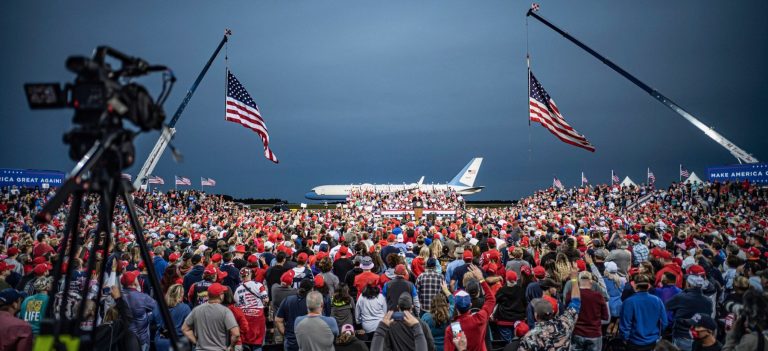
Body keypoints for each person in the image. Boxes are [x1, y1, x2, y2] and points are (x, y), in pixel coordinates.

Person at [517, 266, 581, 351]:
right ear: (557, 312)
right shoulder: (566, 324)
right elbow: (576, 302)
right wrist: (574, 279)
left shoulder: (530, 338)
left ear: (536, 315)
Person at [444, 265, 496, 351]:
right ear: (470, 305)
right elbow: (491, 299)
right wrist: (481, 279)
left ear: (456, 307)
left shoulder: (455, 328)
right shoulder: (480, 318)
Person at [182, 282, 241, 351]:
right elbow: (236, 334)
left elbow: (185, 329)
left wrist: (197, 343)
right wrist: (231, 346)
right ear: (221, 295)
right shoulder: (225, 311)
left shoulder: (197, 310)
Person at [666, 274, 715, 351]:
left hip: (682, 336)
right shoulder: (708, 301)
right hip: (700, 336)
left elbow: (665, 307)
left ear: (688, 284)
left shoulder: (681, 297)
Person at [619, 274, 667, 351]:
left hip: (634, 343)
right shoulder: (657, 300)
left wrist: (625, 339)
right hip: (653, 342)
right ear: (648, 286)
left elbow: (625, 325)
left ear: (634, 285)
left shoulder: (629, 302)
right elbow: (664, 322)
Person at [567, 271, 609, 351]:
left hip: (577, 333)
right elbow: (605, 316)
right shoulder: (598, 296)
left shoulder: (570, 295)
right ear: (591, 282)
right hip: (594, 334)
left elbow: (568, 313)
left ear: (579, 282)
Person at [121, 270, 157, 350]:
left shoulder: (118, 296)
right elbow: (157, 308)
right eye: (136, 278)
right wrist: (149, 315)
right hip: (140, 339)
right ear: (134, 283)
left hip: (123, 338)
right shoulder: (142, 297)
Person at [275, 279, 314, 351]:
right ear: (311, 290)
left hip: (290, 342)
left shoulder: (288, 300)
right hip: (307, 341)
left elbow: (278, 320)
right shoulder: (312, 303)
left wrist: (286, 335)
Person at [234, 267, 268, 350]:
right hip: (258, 316)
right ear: (250, 274)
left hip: (244, 317)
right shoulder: (258, 285)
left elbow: (237, 304)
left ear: (241, 276)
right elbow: (266, 299)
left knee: (246, 343)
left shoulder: (237, 289)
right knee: (258, 342)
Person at [152, 284, 191, 351]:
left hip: (160, 341)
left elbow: (151, 321)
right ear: (181, 295)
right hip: (177, 342)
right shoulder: (185, 308)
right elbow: (190, 326)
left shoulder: (158, 305)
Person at [493, 270, 527, 343]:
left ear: (506, 279)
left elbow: (495, 301)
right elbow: (525, 303)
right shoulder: (521, 290)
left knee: (507, 344)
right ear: (516, 280)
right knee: (519, 343)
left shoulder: (501, 290)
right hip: (519, 321)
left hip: (504, 320)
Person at [421, 283, 454, 351]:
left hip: (432, 348)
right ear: (445, 304)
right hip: (448, 347)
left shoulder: (426, 317)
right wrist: (446, 290)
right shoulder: (450, 314)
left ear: (432, 304)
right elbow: (453, 302)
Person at [270, 270, 296, 344]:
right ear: (291, 282)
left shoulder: (274, 288)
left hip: (277, 324)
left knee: (278, 343)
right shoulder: (294, 292)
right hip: (289, 324)